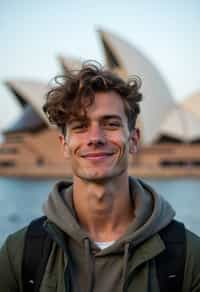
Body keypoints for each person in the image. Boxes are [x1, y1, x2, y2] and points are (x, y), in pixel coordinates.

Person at [0, 62, 200, 292]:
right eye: (80, 126)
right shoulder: (20, 253)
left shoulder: (188, 257)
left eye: (110, 124)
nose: (95, 137)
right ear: (64, 145)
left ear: (134, 140)